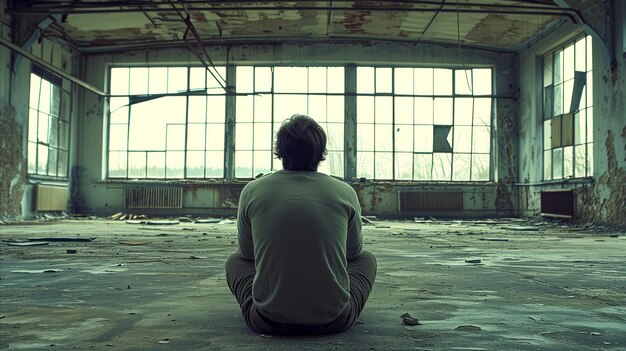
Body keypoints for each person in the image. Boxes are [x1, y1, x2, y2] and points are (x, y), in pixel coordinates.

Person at [225, 114, 377, 335]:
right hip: (334, 321)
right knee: (366, 259)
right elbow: (353, 254)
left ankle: (270, 304)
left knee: (235, 261)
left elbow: (248, 255)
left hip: (267, 321)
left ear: (280, 151)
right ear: (321, 153)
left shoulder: (253, 190)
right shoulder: (345, 192)